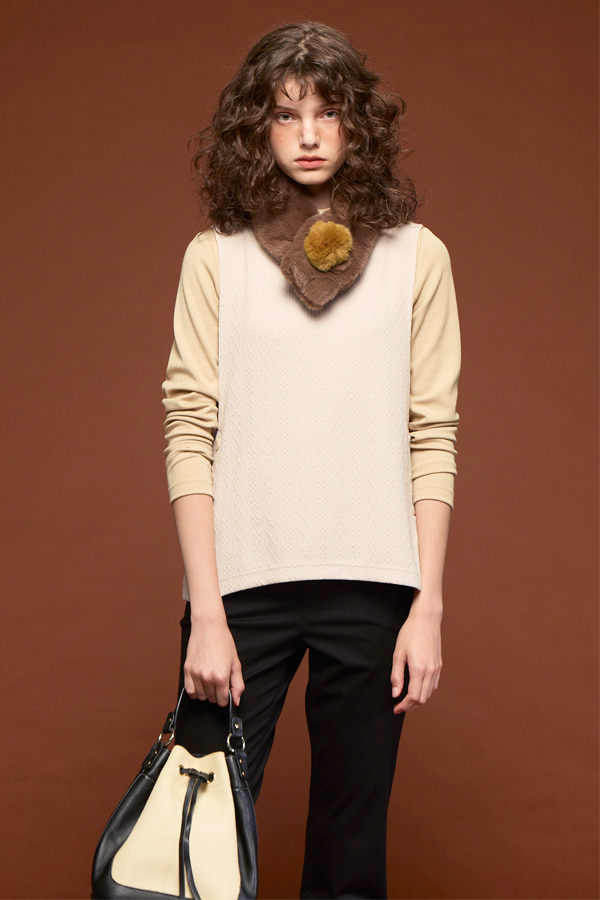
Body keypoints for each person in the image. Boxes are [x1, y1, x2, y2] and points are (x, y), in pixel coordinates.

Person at [162, 21, 460, 900]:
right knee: (198, 857)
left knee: (349, 858)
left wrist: (428, 605)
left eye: (329, 112)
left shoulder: (418, 257)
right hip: (240, 592)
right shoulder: (216, 258)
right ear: (256, 128)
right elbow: (189, 429)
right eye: (286, 114)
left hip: (373, 590)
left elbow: (433, 433)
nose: (309, 135)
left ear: (359, 124)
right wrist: (206, 612)